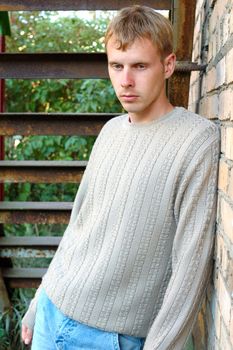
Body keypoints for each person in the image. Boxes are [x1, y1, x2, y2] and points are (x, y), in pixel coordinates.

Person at [21, 5, 220, 350]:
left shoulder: (195, 140)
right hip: (53, 315)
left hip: (111, 339)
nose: (125, 81)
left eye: (140, 66)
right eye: (117, 66)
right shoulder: (110, 131)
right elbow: (78, 226)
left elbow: (190, 267)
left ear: (168, 65)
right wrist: (40, 298)